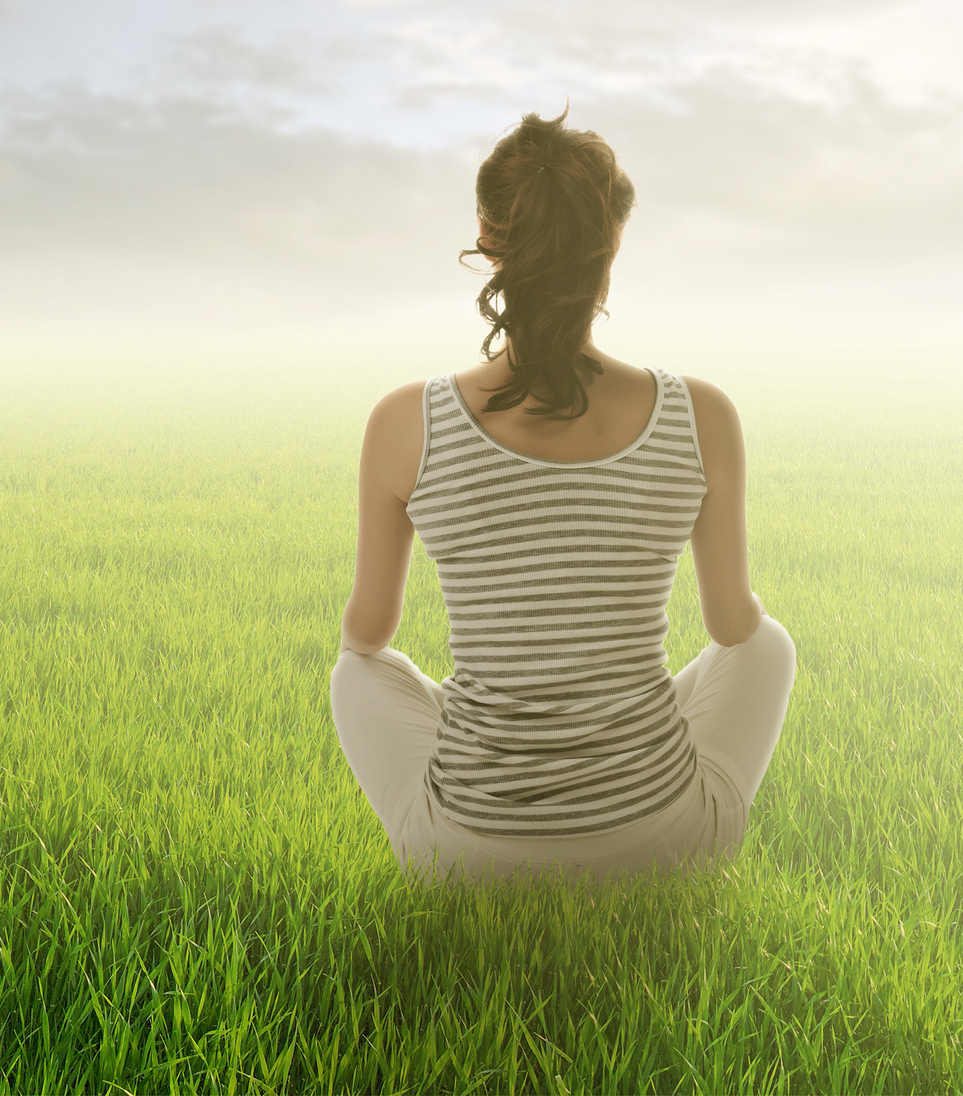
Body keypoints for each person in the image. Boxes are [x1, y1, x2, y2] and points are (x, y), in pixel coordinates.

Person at [329, 109, 796, 886]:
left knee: (355, 673)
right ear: (611, 244)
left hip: (466, 859)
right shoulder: (700, 414)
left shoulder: (405, 421)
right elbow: (731, 625)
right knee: (769, 643)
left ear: (487, 242)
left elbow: (367, 635)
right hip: (665, 843)